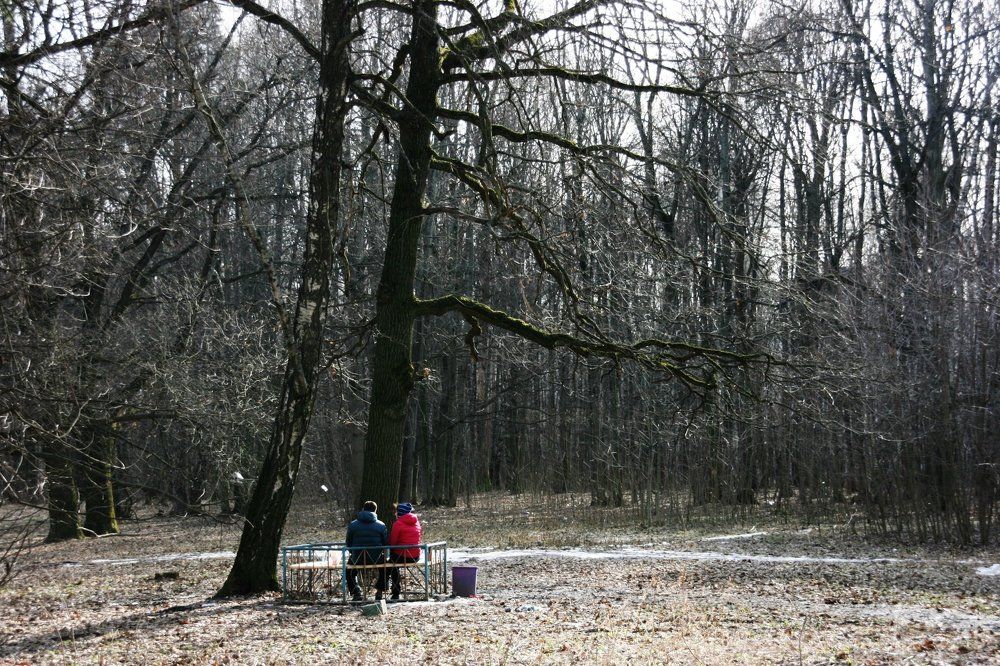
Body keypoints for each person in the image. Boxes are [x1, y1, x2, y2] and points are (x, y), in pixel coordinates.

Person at [344, 500, 388, 602]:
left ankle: (356, 592)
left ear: (363, 509)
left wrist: (353, 553)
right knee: (386, 569)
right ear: (375, 511)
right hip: (376, 558)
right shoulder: (381, 525)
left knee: (349, 571)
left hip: (357, 557)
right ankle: (380, 592)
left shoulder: (353, 525)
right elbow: (385, 543)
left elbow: (348, 543)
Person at [387, 502, 423, 600]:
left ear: (399, 513)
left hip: (401, 556)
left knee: (391, 565)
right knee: (392, 563)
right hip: (415, 556)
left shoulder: (398, 524)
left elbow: (393, 543)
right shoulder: (417, 522)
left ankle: (395, 592)